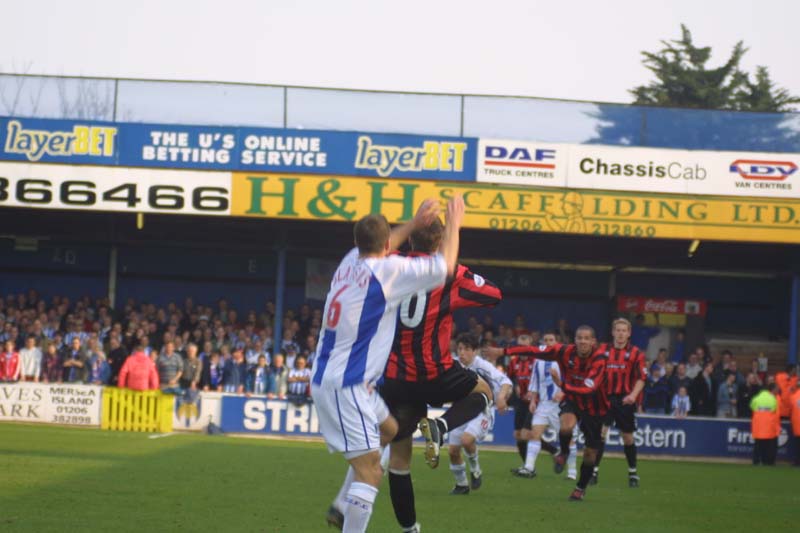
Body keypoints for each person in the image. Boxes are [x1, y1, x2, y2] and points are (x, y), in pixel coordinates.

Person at [316, 197, 461, 533]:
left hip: (345, 380)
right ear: (384, 244)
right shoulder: (387, 272)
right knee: (371, 472)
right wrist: (453, 223)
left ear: (357, 243)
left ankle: (341, 504)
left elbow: (385, 243)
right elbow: (445, 266)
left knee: (391, 430)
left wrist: (413, 223)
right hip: (346, 384)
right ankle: (348, 517)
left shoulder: (349, 262)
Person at [377, 208, 501, 532]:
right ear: (442, 241)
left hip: (396, 376)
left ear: (412, 235)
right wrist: (455, 234)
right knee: (484, 392)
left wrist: (413, 225)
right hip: (435, 371)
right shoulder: (449, 275)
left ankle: (410, 529)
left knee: (400, 463)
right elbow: (494, 295)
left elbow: (378, 249)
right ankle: (442, 427)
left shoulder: (390, 267)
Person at [487, 325, 608, 501]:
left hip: (595, 407)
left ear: (593, 341)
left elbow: (589, 389)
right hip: (572, 400)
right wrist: (503, 351)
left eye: (586, 338)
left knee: (590, 453)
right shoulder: (564, 351)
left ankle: (580, 488)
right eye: (579, 337)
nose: (582, 341)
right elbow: (532, 350)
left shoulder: (599, 359)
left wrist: (562, 385)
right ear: (574, 340)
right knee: (566, 428)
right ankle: (563, 453)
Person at [447, 333, 511, 495]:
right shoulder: (452, 364)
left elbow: (505, 381)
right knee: (453, 451)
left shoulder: (482, 366)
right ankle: (462, 485)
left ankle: (475, 469)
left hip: (481, 412)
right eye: (460, 349)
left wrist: (501, 398)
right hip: (459, 411)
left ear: (475, 351)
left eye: (467, 349)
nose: (462, 352)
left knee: (467, 440)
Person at [591, 318, 646, 488]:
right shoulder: (602, 350)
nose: (621, 333)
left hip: (625, 399)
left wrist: (633, 396)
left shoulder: (637, 353)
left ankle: (633, 473)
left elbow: (641, 378)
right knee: (600, 434)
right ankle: (593, 472)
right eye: (618, 330)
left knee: (627, 437)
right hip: (604, 398)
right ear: (613, 332)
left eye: (624, 330)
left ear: (629, 333)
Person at [514, 331, 575, 480]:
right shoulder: (539, 360)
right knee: (534, 434)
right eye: (545, 340)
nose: (548, 342)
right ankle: (529, 467)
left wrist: (563, 393)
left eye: (551, 340)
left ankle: (572, 473)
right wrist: (533, 400)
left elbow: (572, 379)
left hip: (559, 406)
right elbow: (534, 381)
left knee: (569, 439)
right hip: (543, 404)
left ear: (556, 342)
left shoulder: (564, 359)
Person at [506, 334, 539, 470]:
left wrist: (534, 391)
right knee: (518, 435)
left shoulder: (536, 360)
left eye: (525, 346)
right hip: (520, 402)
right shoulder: (514, 361)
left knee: (526, 434)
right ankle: (527, 465)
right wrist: (515, 385)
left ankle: (530, 467)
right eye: (519, 346)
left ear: (530, 346)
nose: (522, 349)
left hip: (534, 402)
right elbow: (509, 378)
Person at [750, 382, 780, 466]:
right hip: (768, 427)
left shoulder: (756, 398)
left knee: (757, 446)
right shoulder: (773, 399)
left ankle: (756, 461)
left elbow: (752, 407)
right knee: (768, 447)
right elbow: (774, 410)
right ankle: (766, 462)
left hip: (758, 427)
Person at [790, 384, 800, 466]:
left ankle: (797, 462)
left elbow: (790, 408)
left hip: (797, 426)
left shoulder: (794, 396)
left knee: (797, 446)